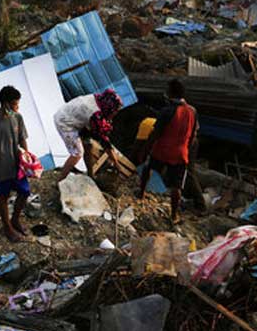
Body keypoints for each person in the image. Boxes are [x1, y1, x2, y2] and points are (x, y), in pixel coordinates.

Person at [137, 79, 198, 224]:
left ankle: (141, 193)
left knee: (148, 167)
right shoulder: (193, 111)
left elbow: (155, 133)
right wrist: (187, 148)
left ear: (171, 92)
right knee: (176, 187)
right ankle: (174, 215)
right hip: (180, 153)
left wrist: (144, 150)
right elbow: (194, 134)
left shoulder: (167, 111)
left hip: (162, 149)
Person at [0, 85, 31, 242]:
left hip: (17, 164)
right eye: (15, 103)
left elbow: (22, 138)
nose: (17, 106)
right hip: (1, 166)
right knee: (3, 196)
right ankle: (7, 227)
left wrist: (27, 157)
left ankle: (15, 219)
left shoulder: (18, 118)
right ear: (5, 104)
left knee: (24, 191)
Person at [53, 88, 123, 180]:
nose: (114, 114)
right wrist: (116, 162)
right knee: (77, 153)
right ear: (110, 108)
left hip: (71, 114)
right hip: (65, 122)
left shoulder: (98, 99)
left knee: (88, 144)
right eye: (114, 111)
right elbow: (104, 141)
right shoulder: (95, 114)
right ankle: (60, 180)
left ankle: (90, 175)